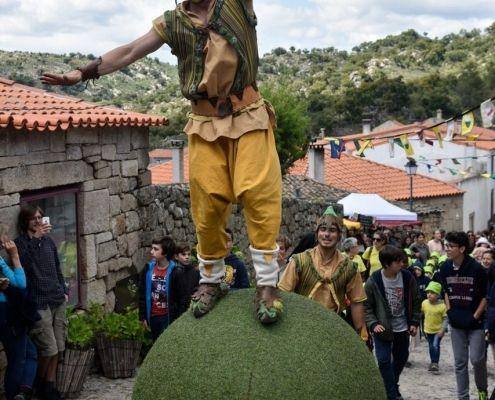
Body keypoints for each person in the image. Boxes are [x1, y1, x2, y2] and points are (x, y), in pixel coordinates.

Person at [41, 0, 283, 325]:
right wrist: (81, 73)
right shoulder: (172, 22)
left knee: (257, 193)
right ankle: (211, 280)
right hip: (205, 122)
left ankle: (267, 284)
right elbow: (129, 52)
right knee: (207, 202)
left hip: (248, 116)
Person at [279, 207, 368, 340]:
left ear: (339, 236)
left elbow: (356, 302)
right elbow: (283, 294)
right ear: (317, 234)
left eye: (332, 230)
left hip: (334, 328)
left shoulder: (349, 267)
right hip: (300, 326)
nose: (326, 234)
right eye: (323, 229)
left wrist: (362, 336)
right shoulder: (299, 261)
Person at [15, 205, 67, 400]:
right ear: (26, 222)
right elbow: (23, 265)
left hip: (57, 299)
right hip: (39, 303)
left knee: (59, 348)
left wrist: (64, 289)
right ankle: (39, 383)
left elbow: (57, 266)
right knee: (49, 348)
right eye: (33, 219)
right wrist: (35, 238)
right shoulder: (20, 244)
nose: (38, 221)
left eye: (40, 217)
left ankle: (49, 387)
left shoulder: (49, 242)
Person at [364, 245, 421, 400]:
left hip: (403, 328)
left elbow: (416, 300)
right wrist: (373, 324)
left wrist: (414, 322)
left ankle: (391, 384)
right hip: (382, 328)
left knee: (401, 357)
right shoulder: (374, 280)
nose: (402, 264)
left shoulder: (408, 277)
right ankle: (391, 394)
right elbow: (366, 306)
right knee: (383, 360)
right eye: (397, 262)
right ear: (387, 264)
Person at [437, 231, 488, 400]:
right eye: (446, 246)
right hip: (456, 322)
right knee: (460, 363)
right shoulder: (445, 267)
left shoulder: (477, 269)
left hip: (475, 323)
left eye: (451, 246)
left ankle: (482, 390)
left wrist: (475, 316)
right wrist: (450, 310)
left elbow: (485, 296)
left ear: (462, 248)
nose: (448, 249)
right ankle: (463, 396)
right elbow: (445, 291)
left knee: (477, 359)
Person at [0, 230, 38, 400]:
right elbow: (21, 284)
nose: (5, 240)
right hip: (6, 314)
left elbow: (19, 284)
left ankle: (23, 392)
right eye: (3, 236)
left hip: (9, 314)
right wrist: (15, 256)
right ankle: (14, 395)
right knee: (17, 360)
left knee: (29, 354)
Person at [139, 237, 190, 341]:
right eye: (152, 248)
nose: (152, 251)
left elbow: (183, 298)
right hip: (152, 316)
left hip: (168, 317)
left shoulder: (176, 272)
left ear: (165, 253)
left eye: (156, 249)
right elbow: (142, 294)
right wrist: (143, 316)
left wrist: (179, 320)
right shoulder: (148, 269)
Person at [421, 281, 447, 372]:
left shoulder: (442, 306)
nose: (429, 294)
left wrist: (443, 330)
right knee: (431, 346)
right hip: (427, 330)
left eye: (432, 293)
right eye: (428, 292)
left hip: (438, 331)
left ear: (437, 294)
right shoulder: (424, 303)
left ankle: (435, 363)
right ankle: (433, 362)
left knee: (435, 345)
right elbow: (421, 314)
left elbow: (445, 319)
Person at [174, 242, 200, 316]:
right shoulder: (173, 272)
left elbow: (197, 287)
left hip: (191, 306)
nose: (187, 257)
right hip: (177, 309)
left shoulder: (194, 271)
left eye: (189, 254)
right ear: (176, 256)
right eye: (183, 254)